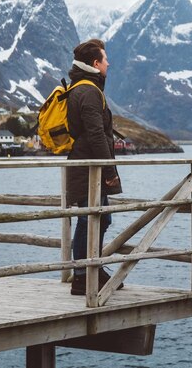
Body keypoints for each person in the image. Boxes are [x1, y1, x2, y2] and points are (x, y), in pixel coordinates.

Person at [66, 39, 123, 295]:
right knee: (87, 220)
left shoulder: (83, 87)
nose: (109, 63)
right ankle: (82, 275)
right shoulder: (88, 91)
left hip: (87, 166)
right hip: (90, 169)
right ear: (95, 63)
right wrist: (109, 170)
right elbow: (96, 135)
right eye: (105, 59)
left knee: (100, 218)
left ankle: (93, 268)